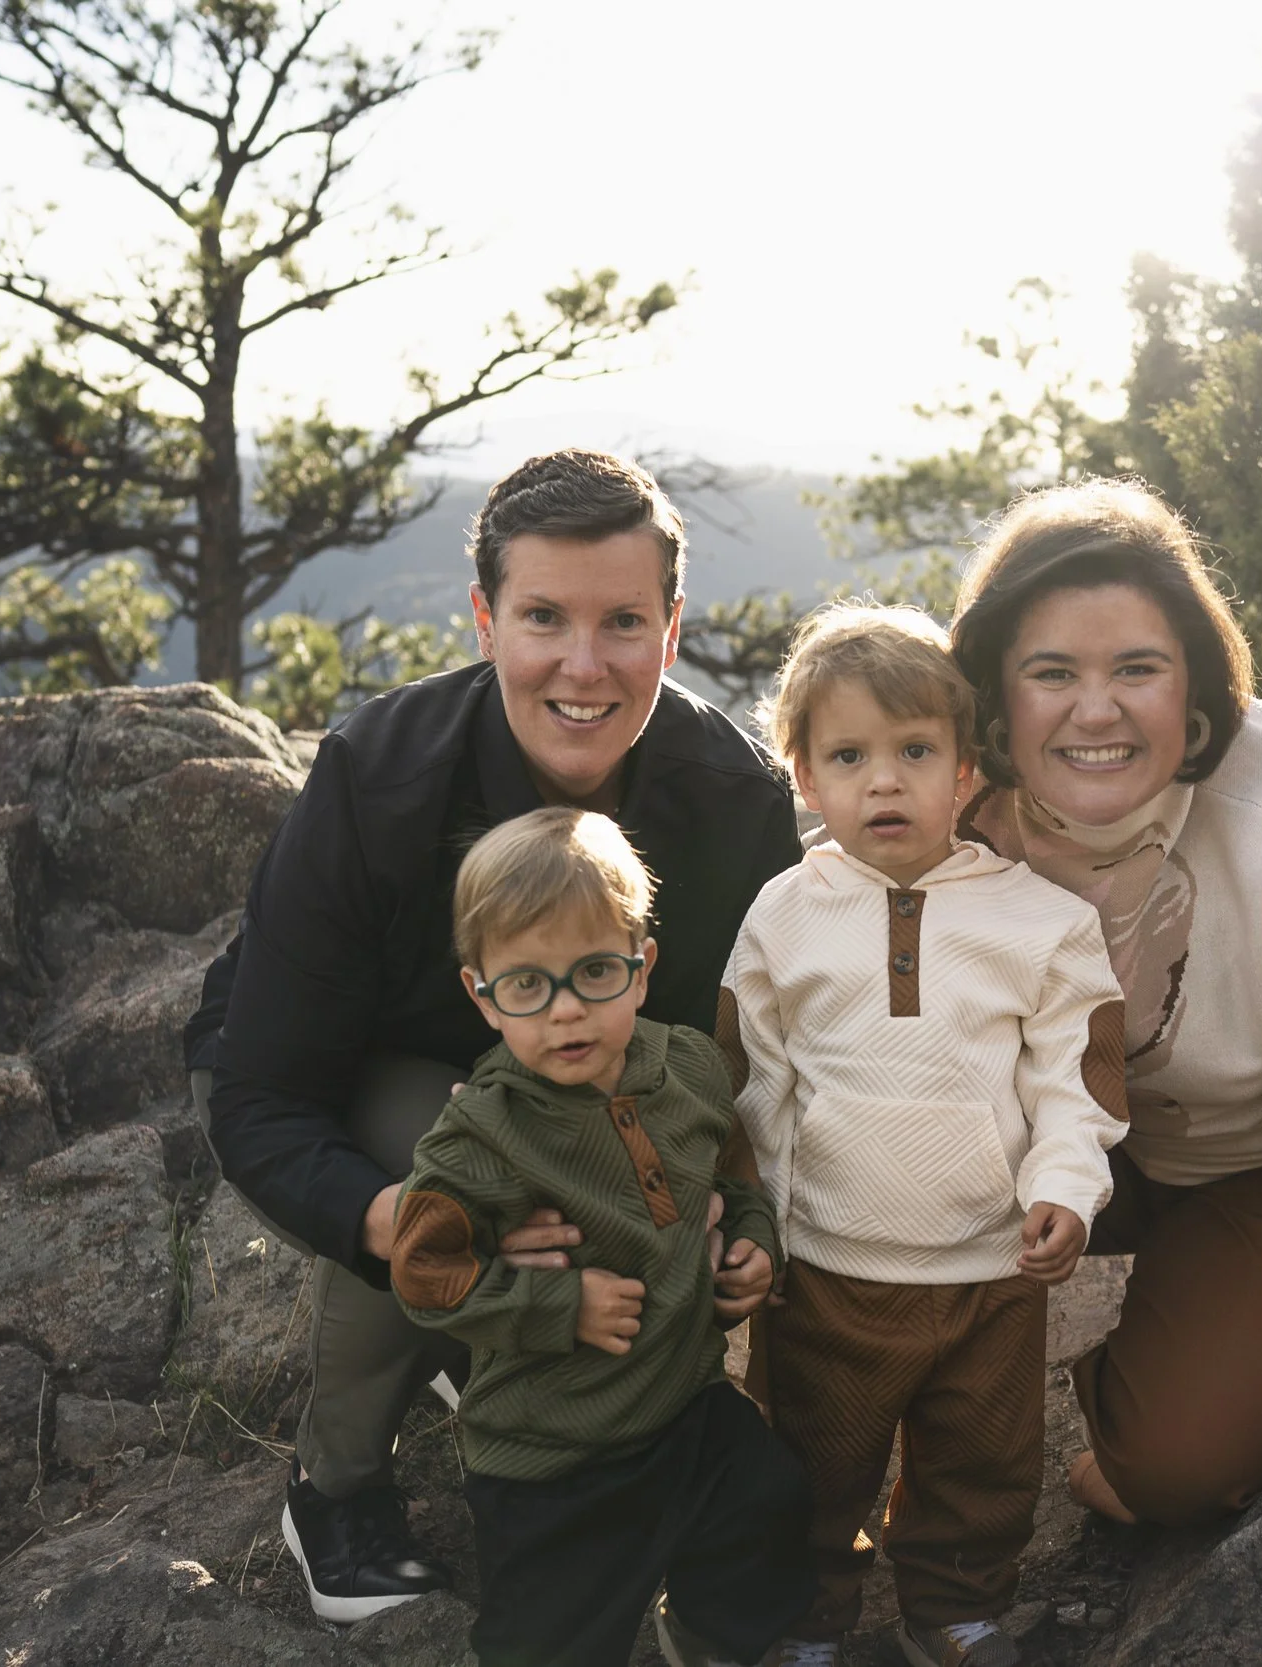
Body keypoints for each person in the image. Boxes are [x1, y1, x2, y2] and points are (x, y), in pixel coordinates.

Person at [179, 449, 804, 1621]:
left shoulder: (731, 799)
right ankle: (340, 1480)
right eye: (543, 618)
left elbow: (736, 1047)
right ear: (484, 620)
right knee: (436, 1150)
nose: (585, 663)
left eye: (623, 620)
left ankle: (554, 1382)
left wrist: (726, 1205)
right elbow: (265, 1095)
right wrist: (425, 1241)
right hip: (375, 1075)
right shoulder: (379, 777)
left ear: (672, 628)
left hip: (597, 1072)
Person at [945, 479, 1262, 1528]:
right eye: (1051, 673)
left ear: (1197, 687)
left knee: (1166, 1471)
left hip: (1249, 1166)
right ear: (993, 690)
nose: (1095, 709)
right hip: (1046, 1132)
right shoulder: (955, 790)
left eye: (1137, 668)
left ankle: (1207, 1351)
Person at [721, 604, 1130, 1667]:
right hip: (828, 1269)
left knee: (979, 1461)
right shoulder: (780, 915)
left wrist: (1066, 1189)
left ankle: (953, 1611)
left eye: (914, 750)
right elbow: (751, 1086)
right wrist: (755, 1220)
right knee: (812, 1458)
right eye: (848, 755)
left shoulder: (1040, 921)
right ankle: (809, 1620)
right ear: (805, 777)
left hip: (992, 1268)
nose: (884, 780)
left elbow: (1075, 1082)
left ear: (965, 772)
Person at [389, 807, 813, 1667]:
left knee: (769, 1502)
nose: (567, 1010)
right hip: (552, 1454)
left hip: (685, 1408)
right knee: (549, 1641)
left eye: (594, 972)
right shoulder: (484, 1133)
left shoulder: (688, 1066)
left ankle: (709, 1639)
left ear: (643, 967)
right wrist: (558, 1302)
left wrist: (752, 1243)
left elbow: (734, 1166)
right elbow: (424, 1270)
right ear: (482, 994)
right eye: (527, 985)